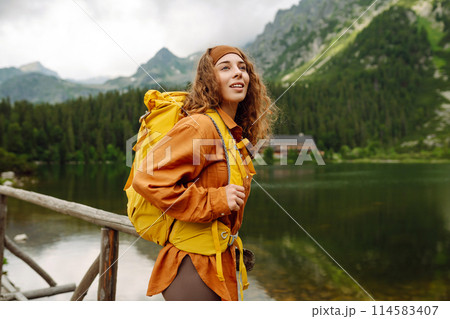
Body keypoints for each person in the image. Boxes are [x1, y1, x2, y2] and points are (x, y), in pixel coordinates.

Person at [132, 45, 276, 301]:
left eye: (242, 68)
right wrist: (217, 200)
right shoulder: (201, 125)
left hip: (219, 261)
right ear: (210, 80)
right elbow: (148, 178)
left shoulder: (228, 130)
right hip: (193, 268)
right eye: (226, 68)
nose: (238, 73)